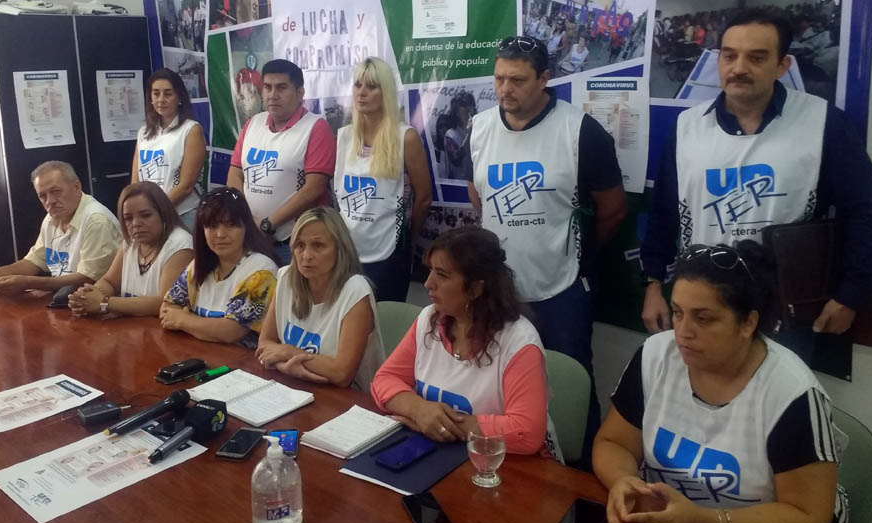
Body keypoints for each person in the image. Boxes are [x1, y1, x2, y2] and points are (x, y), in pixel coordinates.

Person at [640, 9, 872, 351]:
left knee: (778, 403)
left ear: (782, 65)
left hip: (784, 310)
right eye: (729, 56)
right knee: (701, 398)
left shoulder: (823, 123)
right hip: (703, 303)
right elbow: (664, 213)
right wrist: (653, 284)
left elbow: (864, 213)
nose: (739, 68)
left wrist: (851, 295)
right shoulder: (687, 127)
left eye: (756, 57)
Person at [593, 241, 846, 523]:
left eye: (703, 318)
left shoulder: (792, 394)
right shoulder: (654, 357)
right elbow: (613, 443)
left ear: (748, 323)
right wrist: (622, 480)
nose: (682, 332)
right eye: (677, 312)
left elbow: (810, 521)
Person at [464, 35, 627, 466]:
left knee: (571, 384)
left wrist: (572, 252)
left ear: (545, 79)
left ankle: (581, 474)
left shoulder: (581, 131)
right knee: (499, 385)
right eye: (499, 78)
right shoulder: (479, 129)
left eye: (517, 80)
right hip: (498, 289)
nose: (505, 89)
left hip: (562, 287)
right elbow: (477, 197)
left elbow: (612, 209)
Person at [371, 227, 562, 459]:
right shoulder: (429, 319)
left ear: (475, 289)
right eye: (430, 271)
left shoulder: (519, 341)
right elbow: (384, 380)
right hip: (445, 455)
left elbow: (526, 432)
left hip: (507, 466)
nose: (428, 283)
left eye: (442, 275)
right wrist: (419, 410)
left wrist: (440, 424)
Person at [334, 57, 432, 302]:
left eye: (371, 86)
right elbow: (339, 196)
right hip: (348, 249)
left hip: (389, 251)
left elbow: (424, 197)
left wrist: (408, 239)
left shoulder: (405, 138)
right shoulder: (344, 137)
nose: (362, 93)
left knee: (384, 323)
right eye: (358, 85)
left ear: (385, 91)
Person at [256, 207, 384, 392]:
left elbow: (341, 374)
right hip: (293, 387)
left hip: (349, 399)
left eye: (318, 246)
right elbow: (265, 344)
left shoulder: (356, 291)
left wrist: (289, 352)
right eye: (299, 245)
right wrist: (288, 368)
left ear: (340, 249)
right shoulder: (286, 278)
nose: (306, 256)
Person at [227, 59, 336, 265]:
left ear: (300, 92)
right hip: (251, 238)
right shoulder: (253, 124)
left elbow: (313, 188)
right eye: (267, 87)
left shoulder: (316, 127)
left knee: (295, 297)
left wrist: (269, 224)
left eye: (281, 88)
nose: (272, 95)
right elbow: (235, 173)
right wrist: (247, 221)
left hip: (295, 242)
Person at [160, 188, 278, 348]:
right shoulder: (198, 265)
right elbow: (167, 309)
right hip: (197, 354)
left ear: (246, 228)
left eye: (231, 225)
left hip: (242, 365)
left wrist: (183, 320)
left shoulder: (261, 271)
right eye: (212, 226)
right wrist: (202, 327)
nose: (220, 234)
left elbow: (231, 331)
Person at [0, 161, 122, 295]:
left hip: (96, 304)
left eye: (56, 191)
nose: (50, 201)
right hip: (64, 299)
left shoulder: (97, 221)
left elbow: (88, 279)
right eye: (42, 196)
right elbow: (34, 261)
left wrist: (28, 283)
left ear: (77, 187)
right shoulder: (51, 219)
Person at [68, 182, 193, 317]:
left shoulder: (180, 244)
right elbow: (109, 282)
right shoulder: (131, 242)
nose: (136, 224)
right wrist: (88, 297)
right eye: (128, 218)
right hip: (131, 330)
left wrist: (104, 303)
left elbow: (164, 303)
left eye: (145, 215)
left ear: (163, 213)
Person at [132, 68, 206, 229]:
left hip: (182, 215)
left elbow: (186, 186)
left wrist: (156, 210)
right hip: (149, 216)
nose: (161, 99)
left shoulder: (191, 130)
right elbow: (135, 181)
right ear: (150, 98)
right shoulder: (143, 131)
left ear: (179, 97)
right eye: (156, 93)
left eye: (168, 93)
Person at [442, 90, 476, 179]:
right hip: (460, 183)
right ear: (456, 112)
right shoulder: (451, 134)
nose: (468, 108)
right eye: (464, 105)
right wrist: (469, 134)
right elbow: (456, 160)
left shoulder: (480, 129)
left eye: (470, 104)